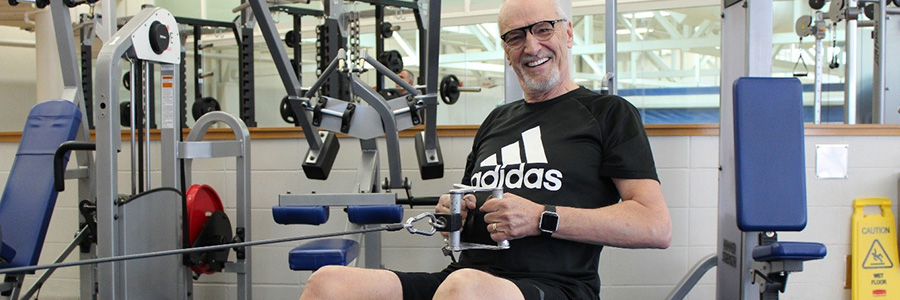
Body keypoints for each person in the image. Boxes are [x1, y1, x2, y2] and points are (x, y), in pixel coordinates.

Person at [299, 0, 671, 299]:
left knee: (466, 290)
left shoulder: (608, 113)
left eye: (543, 29)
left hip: (555, 286)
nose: (532, 46)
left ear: (568, 34)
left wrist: (542, 216)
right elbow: (466, 214)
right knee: (329, 282)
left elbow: (654, 227)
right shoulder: (496, 120)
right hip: (463, 279)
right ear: (507, 51)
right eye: (515, 37)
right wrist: (454, 215)